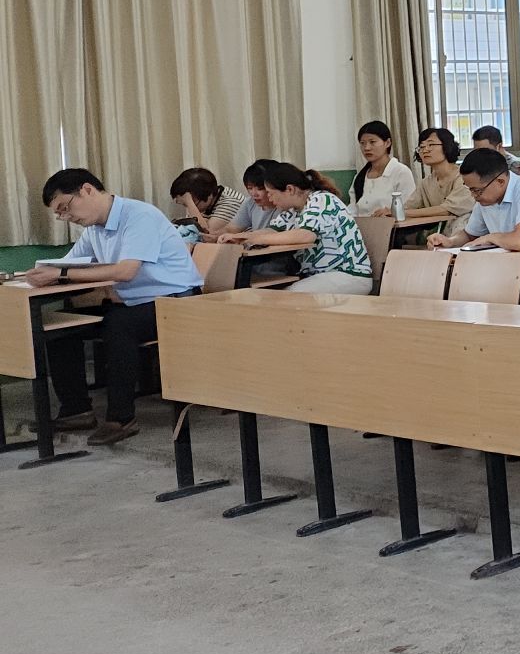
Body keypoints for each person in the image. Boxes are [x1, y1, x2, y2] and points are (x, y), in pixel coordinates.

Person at [32, 168, 204, 445]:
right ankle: (77, 410)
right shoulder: (93, 229)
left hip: (176, 301)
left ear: (87, 190)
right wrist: (39, 274)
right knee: (59, 326)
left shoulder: (139, 216)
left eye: (65, 207)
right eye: (60, 214)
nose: (66, 217)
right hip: (132, 301)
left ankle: (121, 418)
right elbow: (68, 264)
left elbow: (126, 271)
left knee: (119, 324)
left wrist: (60, 274)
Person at [226, 161, 374, 293]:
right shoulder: (293, 211)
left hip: (347, 275)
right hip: (319, 276)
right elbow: (272, 230)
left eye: (271, 193)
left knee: (289, 297)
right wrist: (241, 237)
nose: (269, 198)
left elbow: (305, 235)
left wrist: (259, 240)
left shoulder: (321, 200)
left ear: (290, 189)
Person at [428, 147, 520, 253]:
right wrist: (449, 241)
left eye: (477, 190)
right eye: (470, 189)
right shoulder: (485, 199)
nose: (473, 196)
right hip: (513, 265)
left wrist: (490, 237)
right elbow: (470, 235)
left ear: (500, 181)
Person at [403, 126, 477, 235]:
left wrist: (404, 213)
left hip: (466, 231)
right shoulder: (425, 183)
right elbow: (408, 206)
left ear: (447, 146)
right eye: (421, 147)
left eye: (431, 145)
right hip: (439, 233)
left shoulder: (464, 177)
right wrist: (394, 212)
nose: (425, 150)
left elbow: (447, 209)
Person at [350, 120, 416, 215]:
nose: (366, 148)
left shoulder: (401, 172)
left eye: (372, 142)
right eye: (362, 143)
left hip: (392, 224)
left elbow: (408, 208)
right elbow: (353, 210)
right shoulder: (359, 177)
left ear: (387, 143)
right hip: (361, 224)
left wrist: (390, 213)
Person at [170, 167, 245, 239]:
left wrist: (189, 203)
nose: (189, 209)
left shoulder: (231, 202)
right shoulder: (205, 201)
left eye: (192, 202)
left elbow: (207, 235)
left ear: (209, 196)